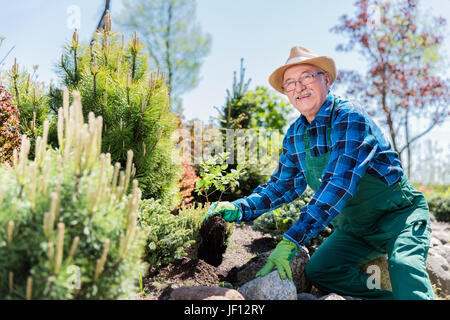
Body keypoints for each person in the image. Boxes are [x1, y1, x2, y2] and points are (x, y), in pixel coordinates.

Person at [205, 46, 435, 300]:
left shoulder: (349, 117)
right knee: (322, 271)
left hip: (398, 217)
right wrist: (239, 208)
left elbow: (339, 183)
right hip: (355, 230)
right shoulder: (295, 135)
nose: (299, 87)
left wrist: (292, 240)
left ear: (326, 80)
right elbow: (281, 187)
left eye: (306, 77)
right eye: (290, 83)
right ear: (287, 93)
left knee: (404, 266)